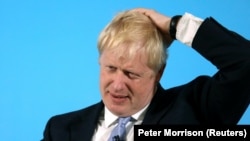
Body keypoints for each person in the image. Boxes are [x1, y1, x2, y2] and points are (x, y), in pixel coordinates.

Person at [41, 7, 250, 141]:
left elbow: (245, 62)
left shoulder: (194, 111)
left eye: (131, 74)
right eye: (111, 68)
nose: (117, 85)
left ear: (159, 73)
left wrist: (175, 26)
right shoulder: (60, 130)